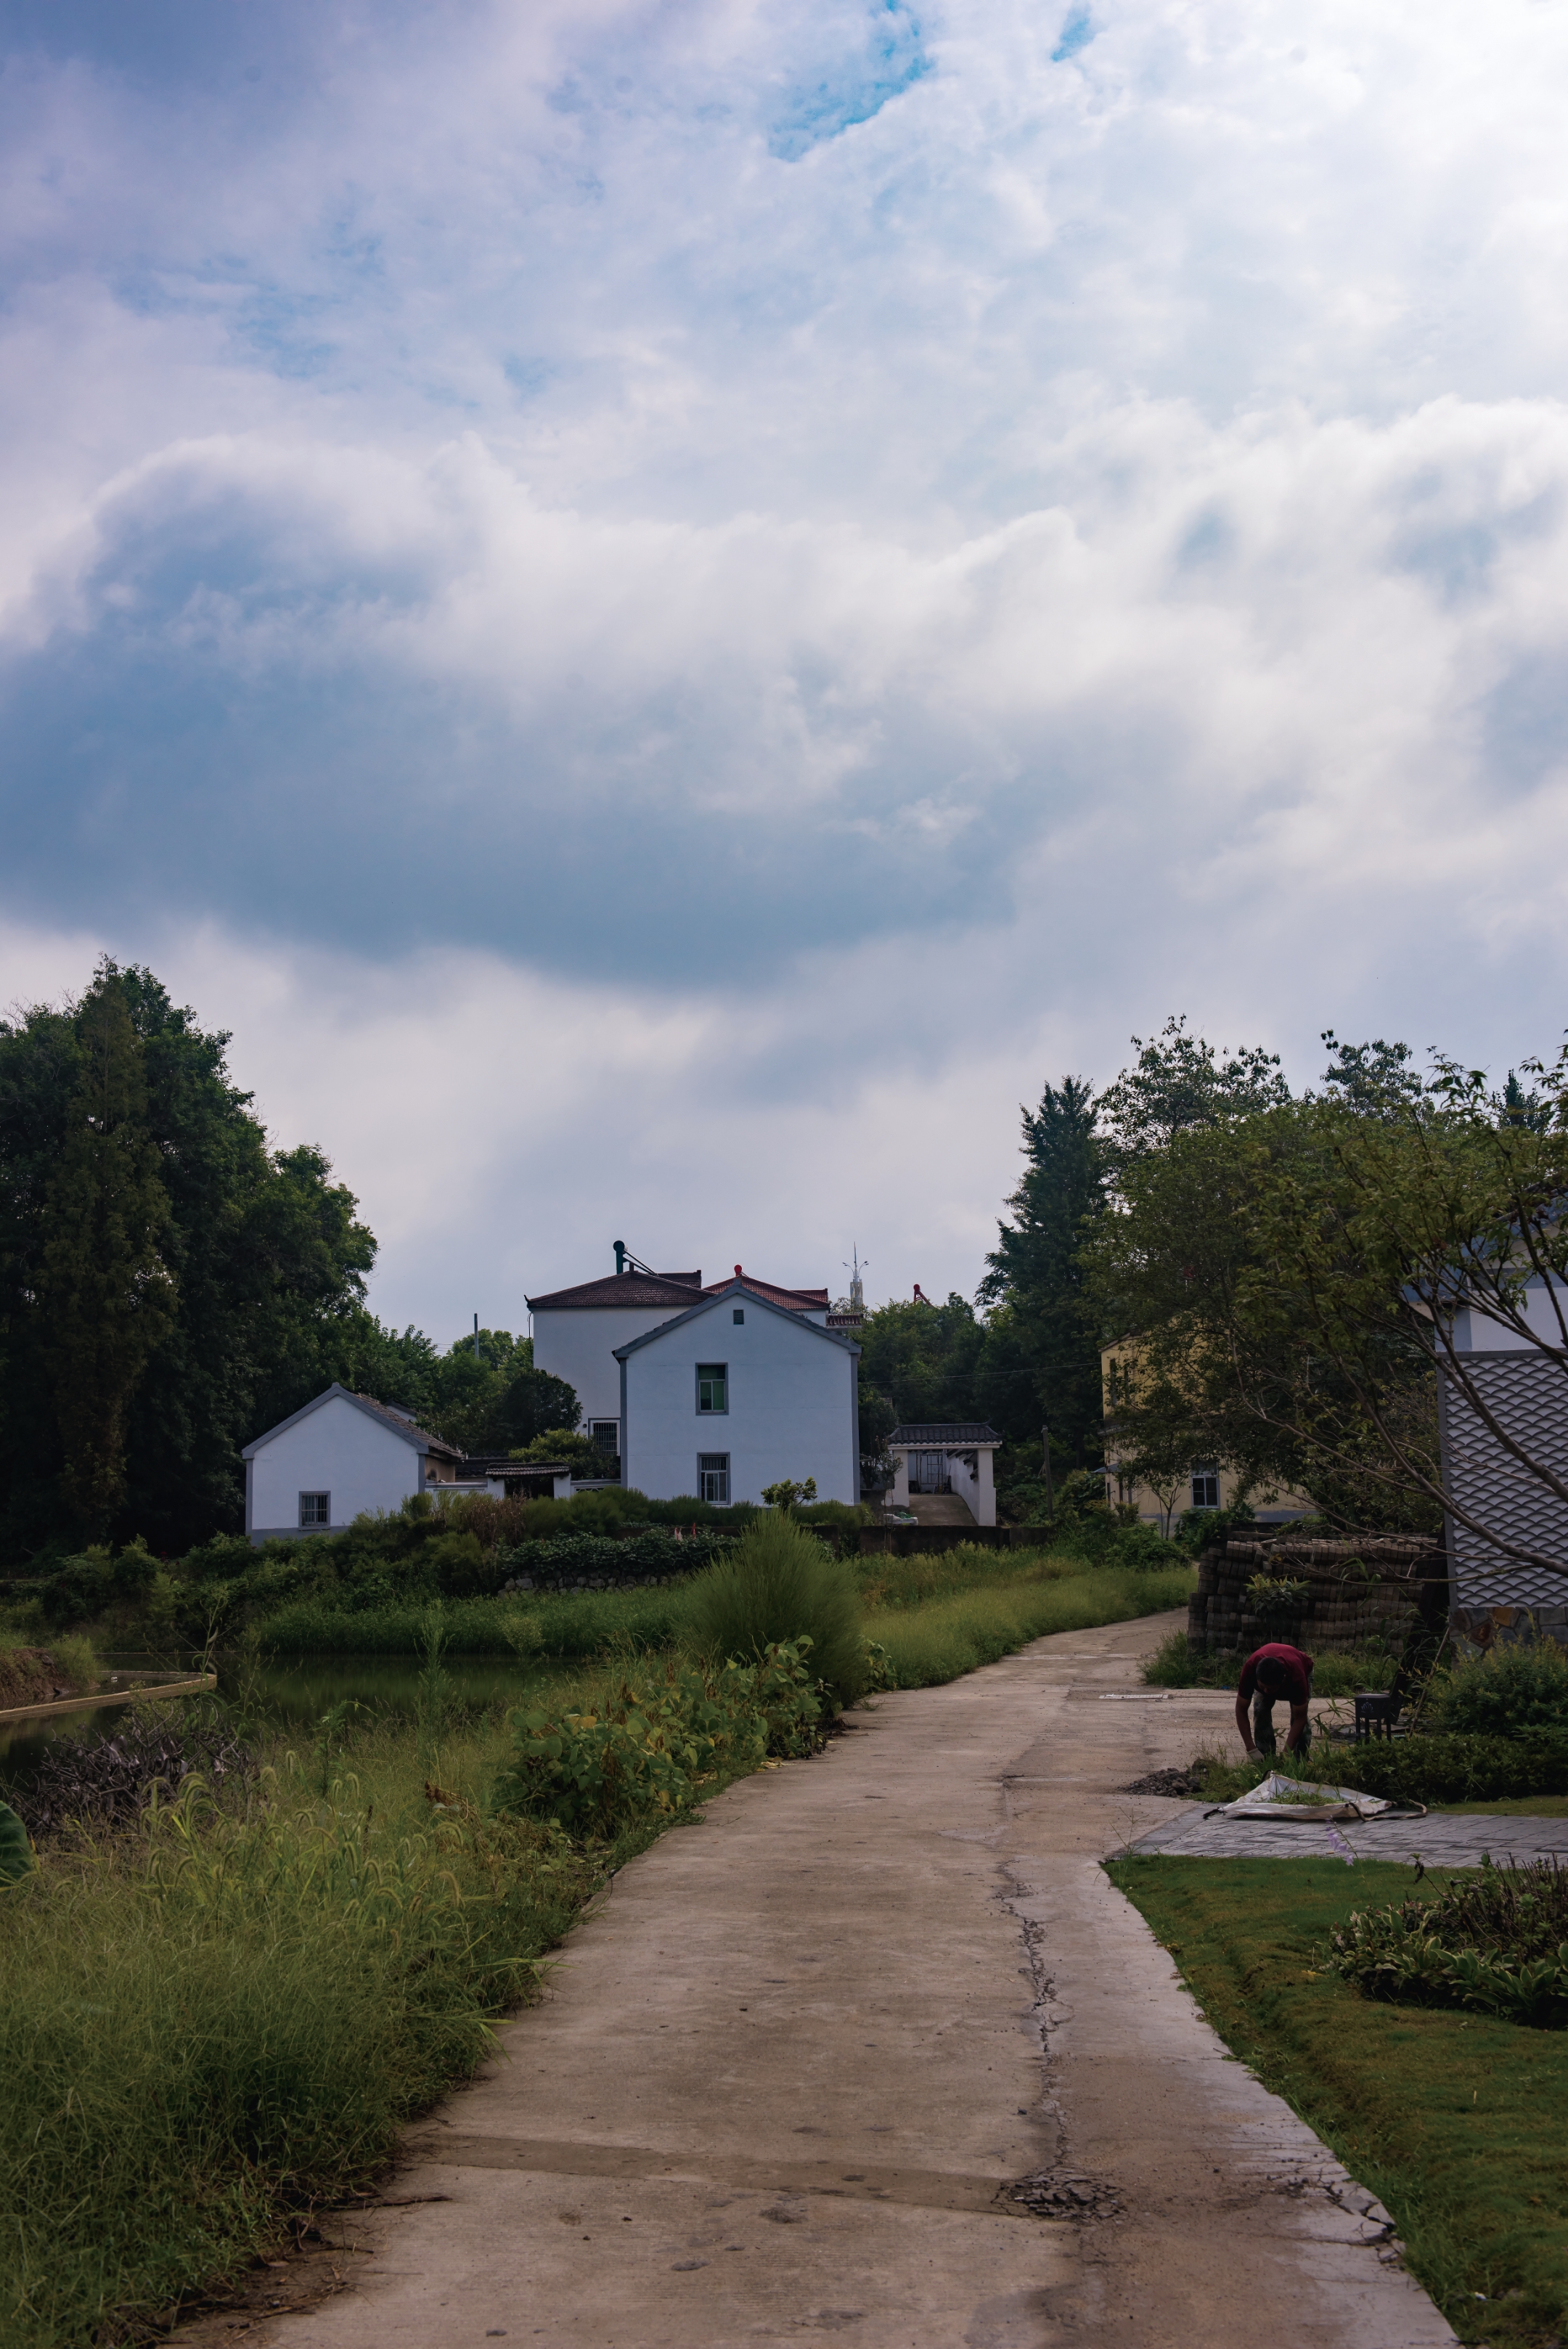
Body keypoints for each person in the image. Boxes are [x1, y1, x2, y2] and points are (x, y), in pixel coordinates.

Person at [1234, 1641, 1314, 1759]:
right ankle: (1264, 1757)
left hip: (1301, 1667)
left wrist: (1287, 1752)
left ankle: (1300, 1759)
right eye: (1262, 1687)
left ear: (1283, 1680)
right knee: (1260, 1710)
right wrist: (1250, 1747)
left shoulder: (1297, 1677)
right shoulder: (1250, 1668)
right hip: (1269, 1672)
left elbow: (1300, 1718)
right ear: (1256, 1678)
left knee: (1299, 1720)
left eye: (1271, 1689)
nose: (1266, 1691)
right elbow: (1241, 1709)